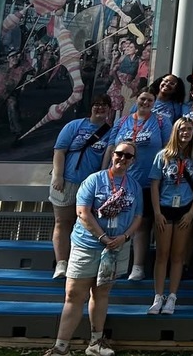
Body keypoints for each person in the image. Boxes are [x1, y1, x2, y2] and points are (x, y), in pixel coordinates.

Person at [44, 142, 143, 356]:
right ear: (112, 155)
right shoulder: (94, 180)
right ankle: (61, 347)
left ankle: (96, 343)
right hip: (88, 245)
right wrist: (103, 236)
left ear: (133, 161)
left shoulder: (134, 185)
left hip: (116, 247)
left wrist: (124, 237)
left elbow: (138, 217)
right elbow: (82, 212)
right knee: (74, 294)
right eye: (119, 154)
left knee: (101, 293)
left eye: (128, 156)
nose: (123, 159)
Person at [103, 90, 171, 281]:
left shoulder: (161, 122)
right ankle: (113, 265)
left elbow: (167, 148)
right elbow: (110, 148)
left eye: (150, 100)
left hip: (148, 181)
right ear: (137, 101)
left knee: (142, 224)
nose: (146, 102)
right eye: (143, 99)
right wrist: (103, 173)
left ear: (154, 103)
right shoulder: (122, 121)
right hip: (120, 181)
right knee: (116, 223)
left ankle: (138, 266)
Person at [147, 117, 193, 315]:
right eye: (182, 129)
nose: (186, 133)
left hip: (185, 208)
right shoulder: (163, 155)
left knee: (178, 255)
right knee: (162, 254)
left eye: (189, 129)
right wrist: (156, 212)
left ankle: (172, 296)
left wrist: (191, 212)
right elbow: (155, 184)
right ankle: (158, 296)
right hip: (164, 207)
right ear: (176, 132)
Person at [50, 96, 112, 280]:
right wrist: (58, 176)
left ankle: (81, 264)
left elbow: (107, 157)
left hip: (90, 185)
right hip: (67, 180)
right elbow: (59, 150)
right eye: (96, 105)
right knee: (63, 221)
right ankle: (61, 263)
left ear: (109, 109)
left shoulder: (109, 131)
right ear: (91, 108)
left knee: (87, 224)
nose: (99, 109)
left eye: (104, 106)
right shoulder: (75, 126)